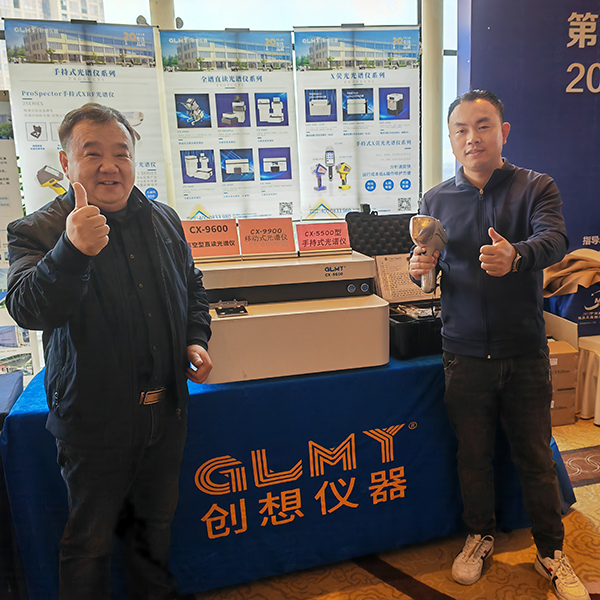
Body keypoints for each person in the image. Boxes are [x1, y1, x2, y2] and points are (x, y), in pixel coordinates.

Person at [5, 103, 213, 600]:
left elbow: (192, 286)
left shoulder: (163, 219)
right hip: (93, 423)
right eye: (92, 153)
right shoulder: (38, 230)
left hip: (166, 410)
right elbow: (28, 309)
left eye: (121, 153)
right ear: (66, 162)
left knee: (154, 532)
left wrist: (196, 337)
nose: (109, 166)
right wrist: (71, 251)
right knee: (89, 546)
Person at [408, 90, 590, 600]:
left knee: (534, 454)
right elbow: (428, 271)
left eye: (483, 125)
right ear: (451, 139)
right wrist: (419, 269)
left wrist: (518, 256)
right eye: (461, 129)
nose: (473, 138)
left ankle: (551, 552)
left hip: (524, 349)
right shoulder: (435, 200)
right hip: (462, 352)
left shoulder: (536, 187)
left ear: (503, 132)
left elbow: (555, 240)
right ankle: (479, 536)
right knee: (473, 454)